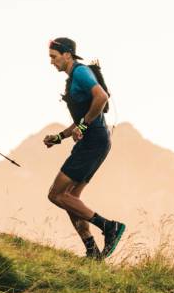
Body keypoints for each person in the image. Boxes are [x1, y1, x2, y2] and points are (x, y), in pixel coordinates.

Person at [44, 37, 125, 259]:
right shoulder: (72, 79)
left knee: (56, 194)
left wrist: (82, 125)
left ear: (67, 54)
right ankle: (92, 250)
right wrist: (60, 137)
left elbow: (101, 97)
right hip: (95, 141)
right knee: (71, 198)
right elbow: (82, 117)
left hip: (94, 140)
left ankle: (109, 227)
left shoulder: (79, 72)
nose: (51, 62)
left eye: (54, 57)